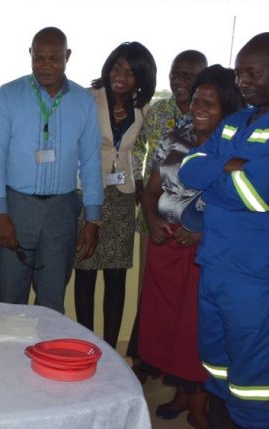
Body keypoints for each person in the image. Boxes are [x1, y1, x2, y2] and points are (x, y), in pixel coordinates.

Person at [138, 65, 243, 428]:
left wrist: (200, 234)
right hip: (165, 249)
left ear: (227, 108)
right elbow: (151, 193)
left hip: (206, 255)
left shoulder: (233, 151)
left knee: (195, 333)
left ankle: (201, 403)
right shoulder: (173, 140)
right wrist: (151, 220)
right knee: (167, 329)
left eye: (210, 104)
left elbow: (241, 208)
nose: (199, 108)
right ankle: (183, 394)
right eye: (197, 100)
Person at [180, 32, 269, 429]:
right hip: (214, 267)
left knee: (253, 379)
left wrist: (220, 173)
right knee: (216, 361)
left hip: (253, 278)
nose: (243, 82)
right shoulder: (233, 122)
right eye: (239, 74)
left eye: (253, 73)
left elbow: (254, 193)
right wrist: (228, 166)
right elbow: (188, 171)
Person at [0, 27, 103, 314]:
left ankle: (46, 359)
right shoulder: (8, 95)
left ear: (68, 56)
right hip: (17, 209)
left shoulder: (82, 101)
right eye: (39, 58)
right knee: (9, 301)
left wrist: (93, 218)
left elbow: (90, 162)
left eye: (54, 58)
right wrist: (0, 214)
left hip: (62, 213)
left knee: (51, 303)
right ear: (30, 55)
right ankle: (7, 359)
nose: (46, 65)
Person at [127, 50, 207, 372]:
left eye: (188, 75)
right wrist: (136, 183)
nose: (179, 81)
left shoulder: (215, 119)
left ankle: (181, 371)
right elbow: (137, 149)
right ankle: (145, 360)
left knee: (188, 304)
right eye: (175, 73)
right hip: (154, 217)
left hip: (195, 230)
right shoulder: (159, 111)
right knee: (152, 294)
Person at [73, 42, 156, 349]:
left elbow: (146, 149)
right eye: (118, 67)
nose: (121, 76)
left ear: (142, 78)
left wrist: (141, 180)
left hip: (123, 196)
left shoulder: (144, 107)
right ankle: (86, 344)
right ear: (108, 67)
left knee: (116, 274)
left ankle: (109, 348)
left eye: (131, 72)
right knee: (85, 270)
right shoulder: (86, 98)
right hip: (87, 192)